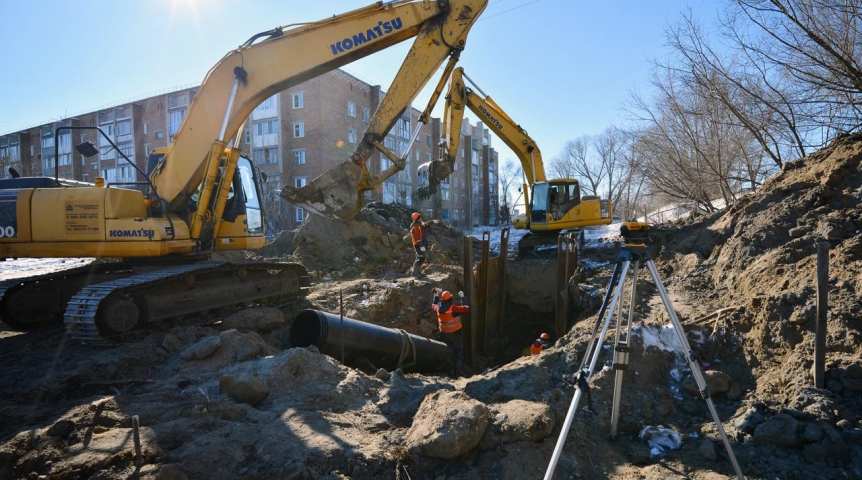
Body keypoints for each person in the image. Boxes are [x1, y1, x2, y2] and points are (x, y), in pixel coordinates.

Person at [431, 288, 469, 377]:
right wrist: (463, 298)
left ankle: (447, 371)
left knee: (447, 350)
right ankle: (457, 374)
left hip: (444, 333)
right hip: (454, 334)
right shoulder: (453, 309)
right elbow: (466, 308)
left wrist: (436, 295)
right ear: (450, 299)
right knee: (458, 352)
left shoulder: (438, 307)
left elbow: (433, 305)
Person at [409, 212, 428, 278]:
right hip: (417, 244)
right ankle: (415, 272)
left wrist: (431, 222)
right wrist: (421, 245)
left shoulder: (418, 225)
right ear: (416, 219)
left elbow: (424, 225)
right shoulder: (415, 226)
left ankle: (417, 271)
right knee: (420, 258)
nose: (420, 219)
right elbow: (416, 237)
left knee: (419, 257)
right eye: (419, 218)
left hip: (420, 244)